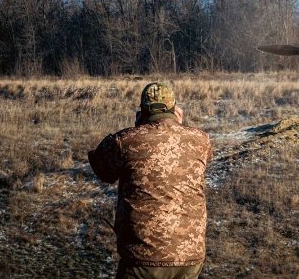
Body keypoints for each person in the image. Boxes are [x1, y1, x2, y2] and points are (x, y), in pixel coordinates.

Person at [88, 82, 212, 279]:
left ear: (143, 109)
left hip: (142, 258)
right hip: (190, 257)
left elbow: (102, 170)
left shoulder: (125, 141)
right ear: (174, 108)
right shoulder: (201, 140)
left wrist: (139, 128)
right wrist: (178, 127)